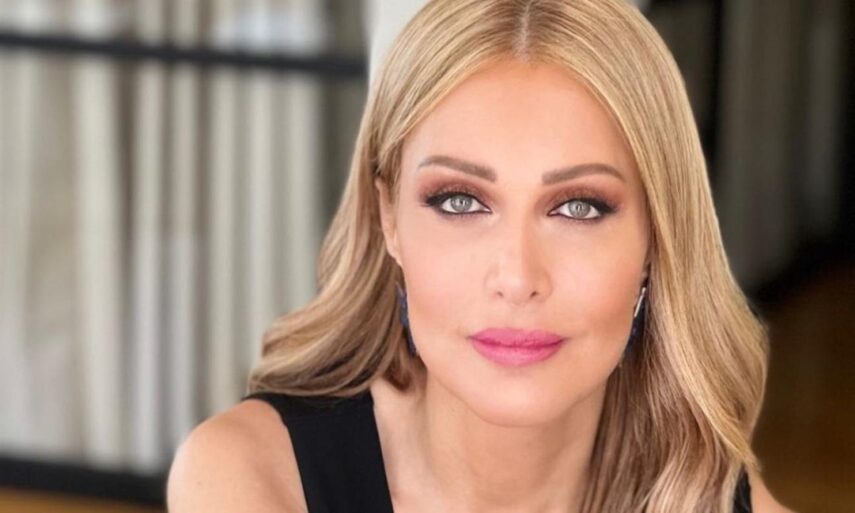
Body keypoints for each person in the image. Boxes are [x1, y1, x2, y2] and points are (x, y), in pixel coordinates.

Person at [167, 0, 797, 511]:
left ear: (657, 238)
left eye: (578, 208)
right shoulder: (252, 479)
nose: (517, 278)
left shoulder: (708, 494)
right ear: (389, 219)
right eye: (460, 201)